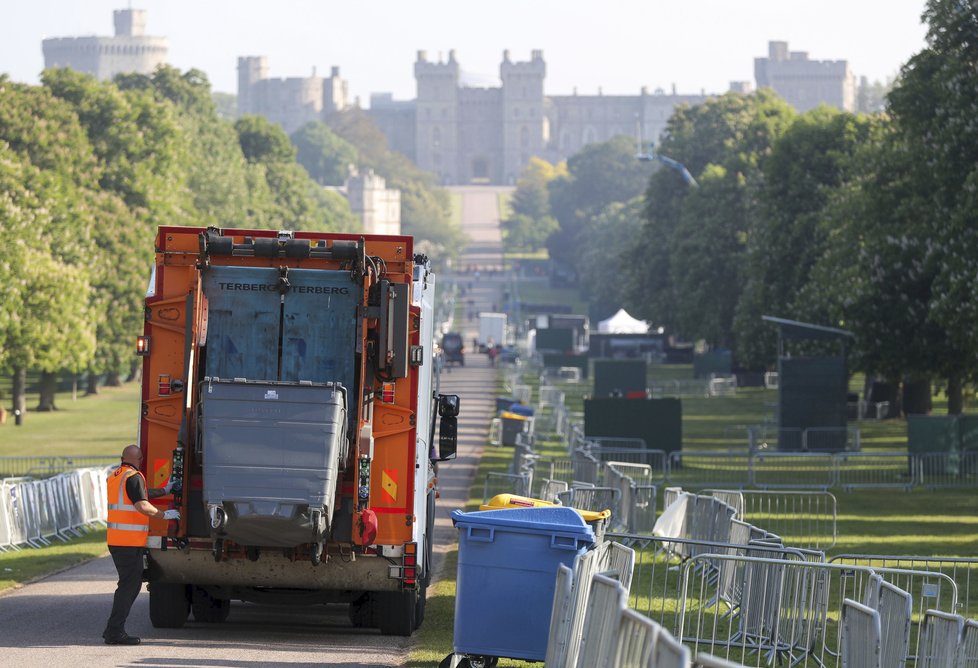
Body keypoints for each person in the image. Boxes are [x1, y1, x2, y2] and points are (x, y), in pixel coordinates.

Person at [102, 444, 180, 645]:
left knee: (129, 584)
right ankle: (114, 632)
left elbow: (138, 494)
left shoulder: (116, 475)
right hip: (127, 543)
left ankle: (113, 630)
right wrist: (164, 515)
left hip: (118, 541)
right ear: (140, 459)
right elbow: (141, 504)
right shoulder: (134, 476)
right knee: (129, 586)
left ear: (122, 458)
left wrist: (164, 490)